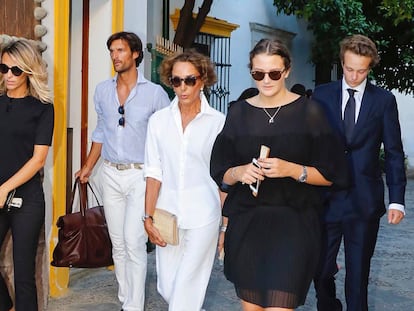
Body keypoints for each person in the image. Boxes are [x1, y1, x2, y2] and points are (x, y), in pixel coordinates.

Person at [210, 38, 349, 311]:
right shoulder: (238, 113)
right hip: (248, 226)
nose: (266, 80)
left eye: (273, 73)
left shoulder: (310, 112)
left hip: (294, 227)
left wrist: (292, 170)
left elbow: (332, 174)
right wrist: (239, 172)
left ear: (286, 71)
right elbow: (221, 173)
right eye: (258, 74)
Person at [75, 31, 170, 311]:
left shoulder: (155, 94)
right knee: (117, 243)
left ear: (135, 54)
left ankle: (133, 307)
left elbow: (166, 138)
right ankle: (125, 299)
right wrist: (88, 166)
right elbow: (101, 131)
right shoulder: (102, 90)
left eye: (120, 50)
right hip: (110, 173)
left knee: (134, 242)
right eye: (112, 51)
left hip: (141, 175)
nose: (115, 56)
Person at [312, 34, 406, 311]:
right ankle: (330, 306)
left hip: (364, 201)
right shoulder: (321, 95)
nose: (354, 76)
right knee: (320, 270)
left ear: (370, 67)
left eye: (361, 70)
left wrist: (397, 199)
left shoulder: (384, 101)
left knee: (358, 276)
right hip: (326, 198)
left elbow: (393, 152)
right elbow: (309, 144)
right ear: (342, 63)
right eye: (349, 69)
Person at [143, 50, 225, 310]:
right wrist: (147, 217)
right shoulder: (158, 121)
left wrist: (225, 225)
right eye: (176, 81)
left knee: (186, 289)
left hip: (205, 215)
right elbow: (153, 173)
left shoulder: (219, 123)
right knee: (167, 287)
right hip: (167, 215)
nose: (182, 87)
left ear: (203, 80)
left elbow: (224, 178)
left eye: (190, 80)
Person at [0, 39, 54, 311]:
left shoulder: (43, 108)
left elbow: (39, 159)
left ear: (29, 71)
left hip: (26, 199)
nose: (8, 75)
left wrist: (4, 188)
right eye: (4, 68)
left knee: (24, 274)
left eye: (16, 70)